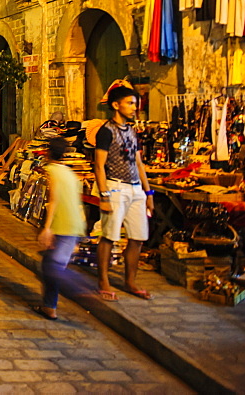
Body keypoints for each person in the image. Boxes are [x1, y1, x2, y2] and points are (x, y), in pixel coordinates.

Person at [94, 85, 154, 301]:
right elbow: (99, 165)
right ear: (115, 105)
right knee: (109, 236)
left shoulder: (132, 131)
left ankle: (131, 281)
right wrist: (104, 195)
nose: (134, 108)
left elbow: (139, 162)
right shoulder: (106, 131)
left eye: (135, 104)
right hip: (115, 186)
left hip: (136, 187)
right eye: (130, 103)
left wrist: (149, 193)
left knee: (137, 238)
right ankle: (103, 280)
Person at [33, 137, 87, 320]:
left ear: (48, 152)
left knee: (53, 268)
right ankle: (50, 306)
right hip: (74, 224)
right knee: (50, 264)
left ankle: (82, 288)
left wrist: (47, 228)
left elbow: (53, 200)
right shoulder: (69, 172)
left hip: (62, 225)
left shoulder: (51, 172)